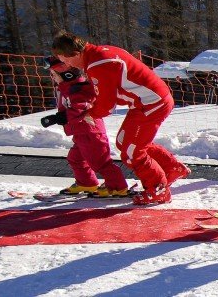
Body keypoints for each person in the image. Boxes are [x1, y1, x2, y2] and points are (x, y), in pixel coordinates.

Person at [51, 31, 190, 205]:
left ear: (74, 54)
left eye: (64, 60)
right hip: (146, 102)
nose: (66, 64)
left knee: (132, 151)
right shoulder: (99, 53)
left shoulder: (97, 64)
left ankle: (158, 189)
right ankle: (172, 168)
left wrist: (90, 114)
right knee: (125, 143)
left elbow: (106, 104)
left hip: (151, 104)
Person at [39, 56, 130, 197]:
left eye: (54, 74)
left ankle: (118, 186)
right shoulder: (68, 88)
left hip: (91, 133)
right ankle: (87, 183)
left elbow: (81, 108)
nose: (53, 78)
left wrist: (59, 117)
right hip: (81, 133)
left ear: (67, 75)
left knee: (100, 162)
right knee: (75, 158)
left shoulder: (80, 90)